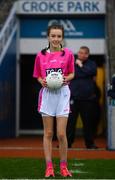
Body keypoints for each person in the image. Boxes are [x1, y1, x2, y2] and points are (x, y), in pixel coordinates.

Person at [33, 24, 74, 177]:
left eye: (59, 36)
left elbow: (72, 74)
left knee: (61, 134)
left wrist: (65, 78)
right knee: (48, 133)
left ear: (62, 37)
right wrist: (41, 81)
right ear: (48, 37)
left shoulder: (68, 54)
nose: (56, 39)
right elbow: (37, 75)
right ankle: (49, 166)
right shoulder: (40, 55)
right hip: (48, 95)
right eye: (53, 36)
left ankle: (63, 166)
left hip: (63, 94)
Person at [67, 46, 99, 149]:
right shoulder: (72, 63)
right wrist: (83, 72)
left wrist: (80, 66)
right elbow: (72, 74)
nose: (81, 55)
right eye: (80, 52)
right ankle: (67, 143)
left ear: (87, 55)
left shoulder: (92, 64)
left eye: (83, 53)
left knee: (88, 123)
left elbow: (91, 72)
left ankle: (90, 143)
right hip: (73, 98)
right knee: (70, 122)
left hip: (87, 99)